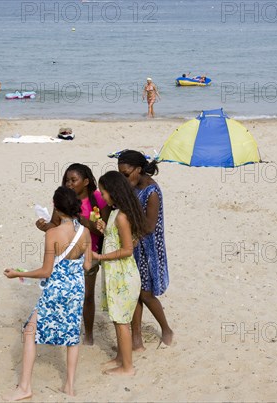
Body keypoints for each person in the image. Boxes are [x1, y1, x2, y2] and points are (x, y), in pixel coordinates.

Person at [4, 186, 92, 399]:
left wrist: (17, 273)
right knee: (72, 335)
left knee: (30, 331)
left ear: (56, 208)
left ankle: (25, 387)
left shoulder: (52, 233)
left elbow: (46, 270)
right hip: (76, 288)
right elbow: (88, 265)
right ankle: (69, 386)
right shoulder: (85, 232)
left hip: (55, 289)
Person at [35, 164, 110, 345]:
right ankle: (66, 330)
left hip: (89, 253)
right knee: (67, 294)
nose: (69, 184)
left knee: (87, 295)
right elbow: (54, 223)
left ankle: (89, 334)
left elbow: (104, 230)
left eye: (73, 180)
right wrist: (44, 227)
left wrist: (83, 221)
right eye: (67, 180)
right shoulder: (63, 199)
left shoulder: (98, 199)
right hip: (65, 257)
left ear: (85, 182)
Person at [117, 150, 174, 349]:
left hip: (149, 248)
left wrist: (131, 235)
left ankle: (166, 329)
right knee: (134, 292)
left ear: (138, 170)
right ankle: (136, 338)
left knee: (146, 294)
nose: (124, 179)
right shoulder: (133, 186)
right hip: (133, 245)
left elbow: (150, 226)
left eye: (125, 174)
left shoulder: (152, 191)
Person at [92, 171, 146, 376]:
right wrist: (105, 228)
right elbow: (121, 238)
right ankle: (121, 358)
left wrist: (99, 257)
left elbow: (127, 250)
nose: (102, 196)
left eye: (104, 193)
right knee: (117, 318)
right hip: (116, 274)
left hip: (122, 274)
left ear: (113, 192)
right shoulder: (116, 212)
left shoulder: (122, 216)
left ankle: (127, 367)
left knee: (122, 321)